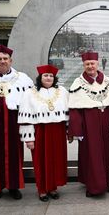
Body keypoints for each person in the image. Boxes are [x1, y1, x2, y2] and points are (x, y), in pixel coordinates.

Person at [0, 44, 33, 202]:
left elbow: (32, 101)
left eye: (5, 59)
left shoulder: (23, 78)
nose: (2, 61)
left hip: (15, 122)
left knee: (15, 153)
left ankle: (13, 186)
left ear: (11, 61)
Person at [67, 51, 109, 197]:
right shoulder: (78, 83)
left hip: (106, 121)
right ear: (84, 65)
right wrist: (76, 131)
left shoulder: (107, 81)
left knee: (107, 152)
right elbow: (75, 110)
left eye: (92, 63)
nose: (90, 66)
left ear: (97, 64)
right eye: (87, 64)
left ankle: (105, 181)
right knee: (92, 154)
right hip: (89, 124)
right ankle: (93, 185)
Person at [18, 65, 68, 202]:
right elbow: (25, 116)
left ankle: (52, 188)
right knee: (40, 161)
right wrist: (29, 138)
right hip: (40, 132)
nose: (48, 78)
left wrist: (69, 131)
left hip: (58, 131)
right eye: (45, 75)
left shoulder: (62, 91)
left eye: (51, 76)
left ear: (54, 78)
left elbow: (69, 112)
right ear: (40, 77)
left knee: (56, 161)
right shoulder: (30, 93)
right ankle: (42, 190)